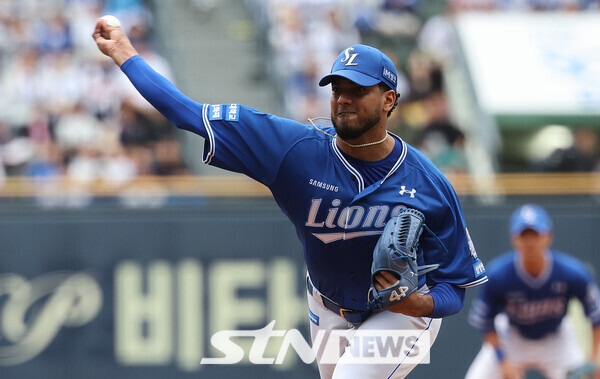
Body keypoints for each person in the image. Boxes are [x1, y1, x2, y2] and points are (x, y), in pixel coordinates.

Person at [93, 18, 487, 378]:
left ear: (389, 100)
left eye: (358, 90)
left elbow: (455, 286)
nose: (343, 98)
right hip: (327, 303)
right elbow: (187, 114)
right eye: (337, 89)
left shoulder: (428, 183)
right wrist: (125, 53)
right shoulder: (294, 151)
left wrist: (421, 306)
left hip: (399, 315)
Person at [466, 204, 600, 379]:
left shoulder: (573, 273)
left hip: (557, 338)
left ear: (548, 237)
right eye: (524, 235)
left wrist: (594, 358)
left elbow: (596, 316)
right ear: (513, 238)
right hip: (512, 337)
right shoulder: (499, 274)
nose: (530, 241)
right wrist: (503, 360)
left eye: (535, 235)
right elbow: (486, 322)